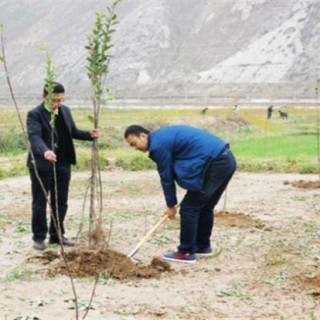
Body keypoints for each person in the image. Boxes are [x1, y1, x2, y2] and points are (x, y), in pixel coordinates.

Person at [124, 124, 236, 263]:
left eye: (134, 143)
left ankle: (186, 252)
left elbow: (166, 176)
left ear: (143, 135)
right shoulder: (162, 137)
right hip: (227, 160)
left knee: (189, 209)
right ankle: (202, 246)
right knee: (205, 206)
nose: (135, 148)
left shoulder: (158, 145)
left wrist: (171, 205)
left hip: (214, 164)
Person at [27, 82, 100, 250]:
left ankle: (56, 235)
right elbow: (34, 136)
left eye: (61, 100)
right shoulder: (35, 114)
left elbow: (72, 132)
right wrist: (45, 151)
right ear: (45, 97)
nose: (58, 104)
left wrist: (89, 134)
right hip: (42, 164)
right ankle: (38, 237)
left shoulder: (65, 111)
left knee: (61, 201)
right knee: (40, 201)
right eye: (55, 100)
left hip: (63, 163)